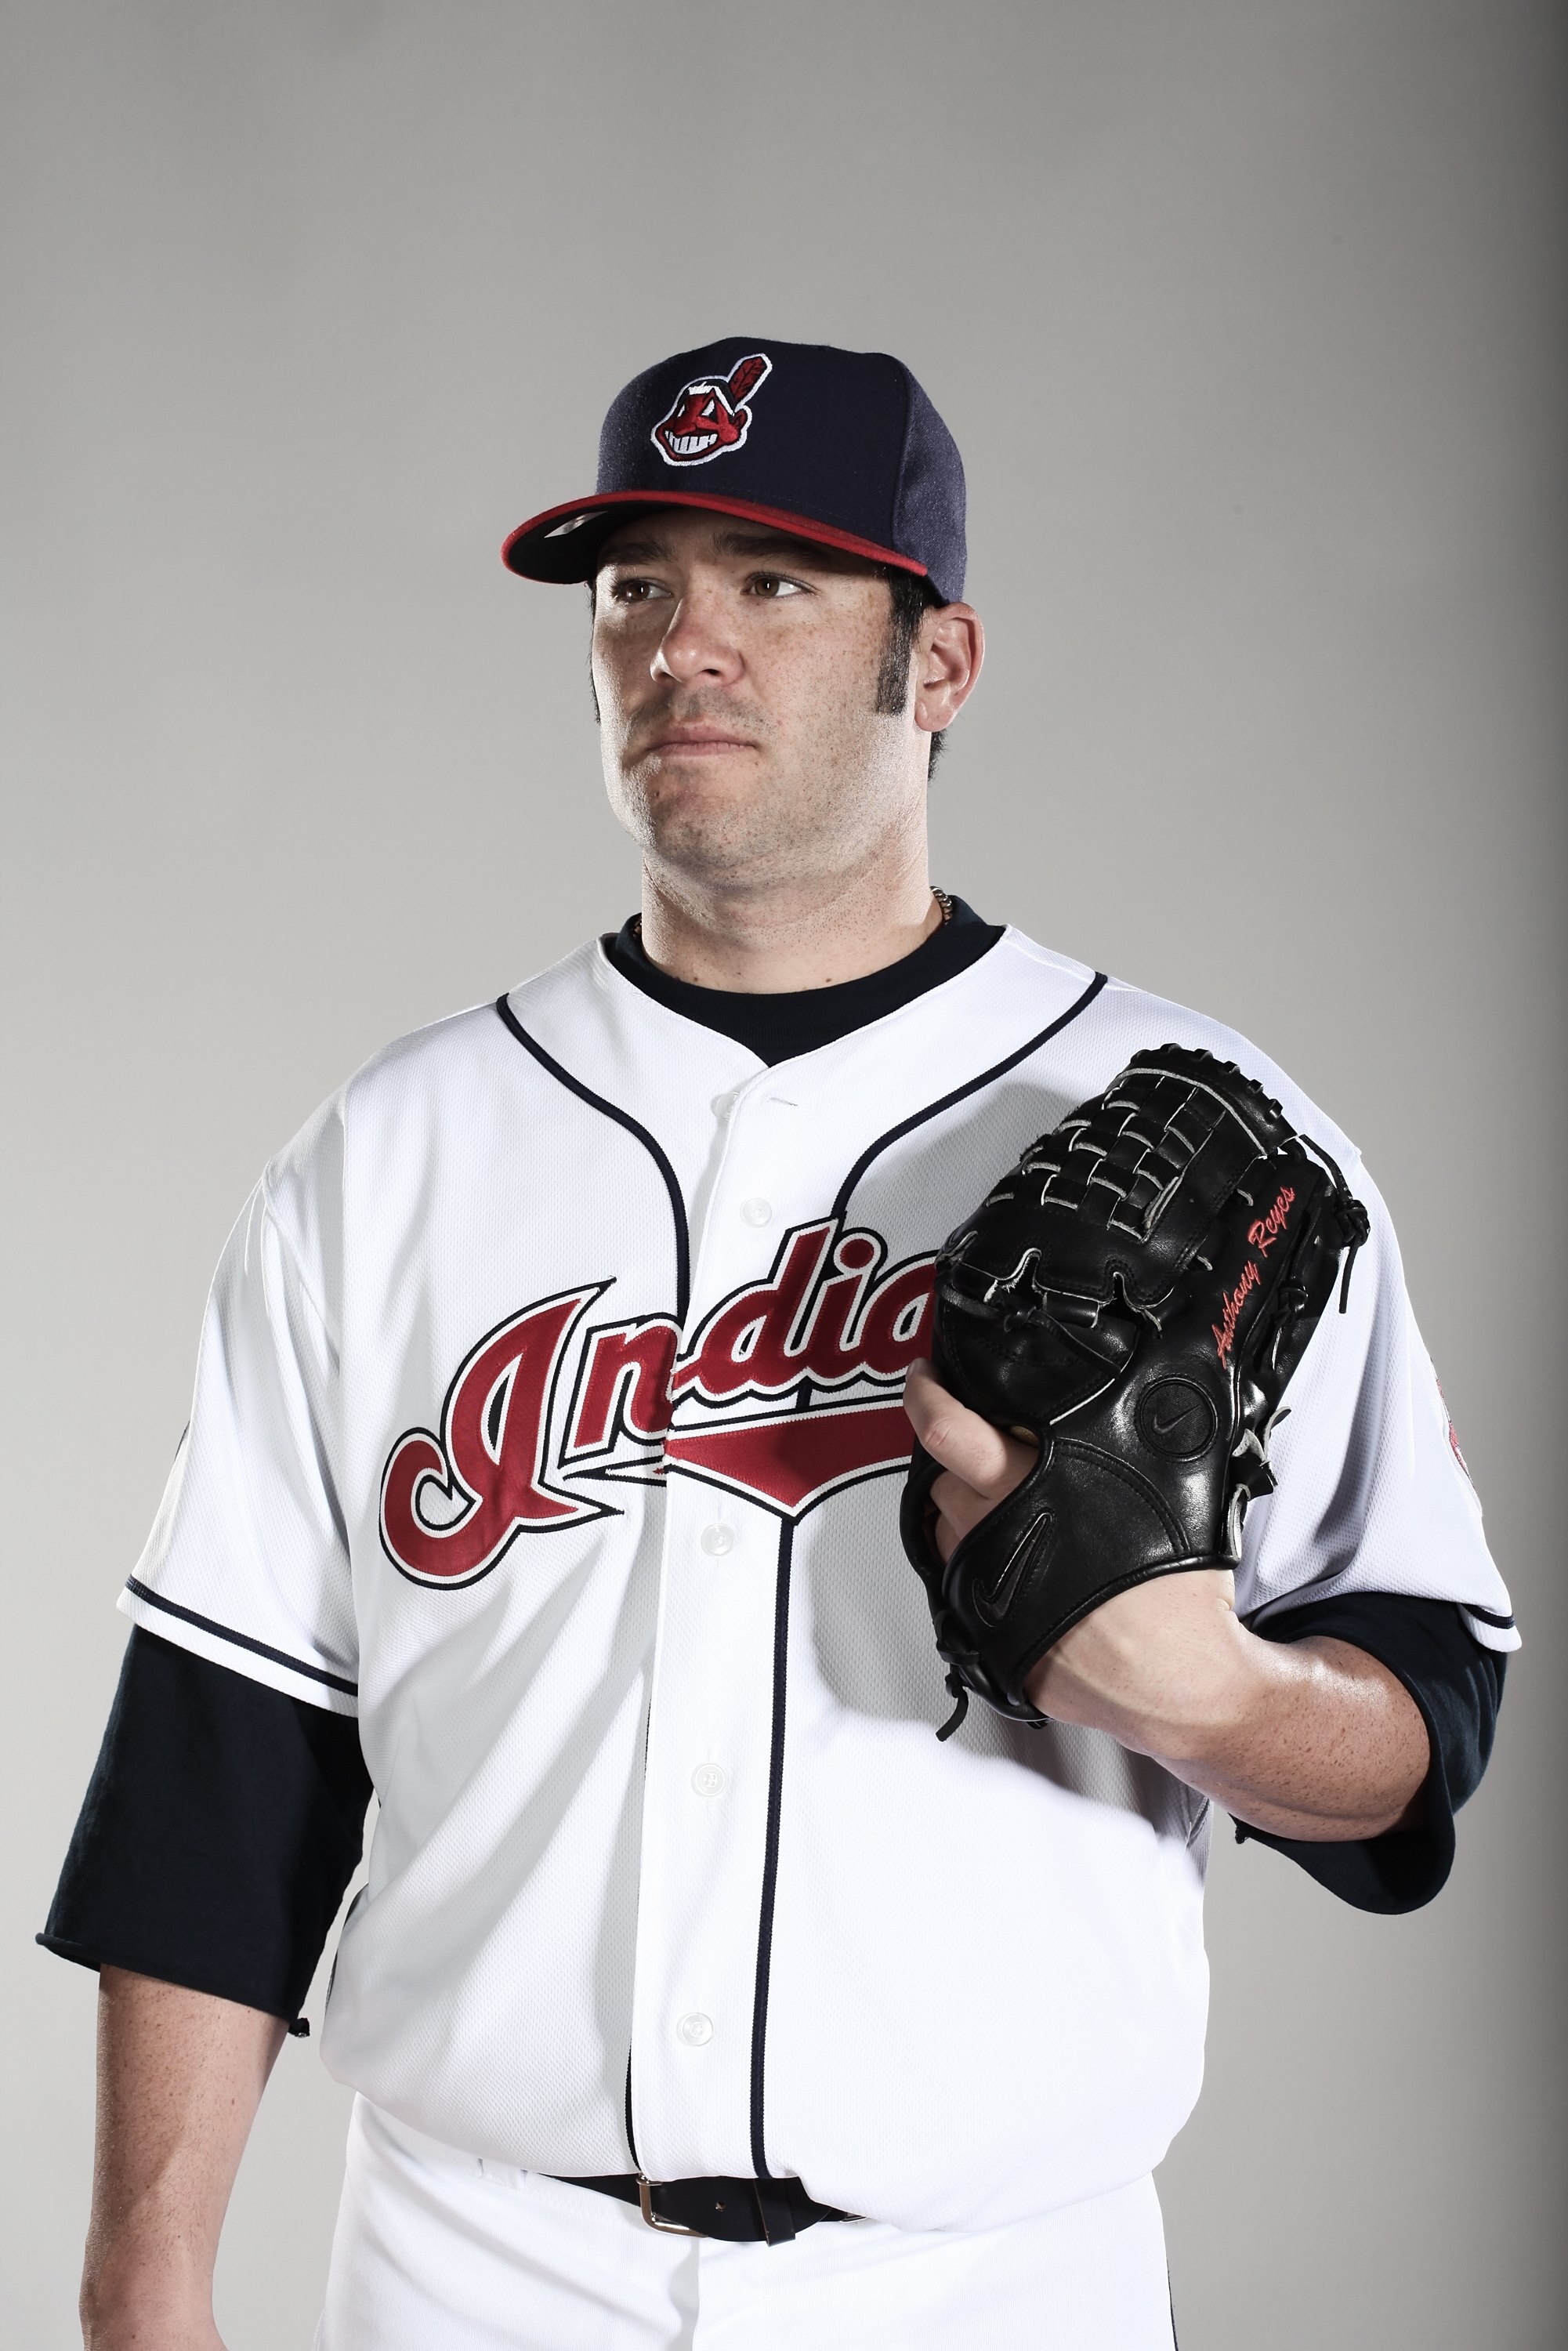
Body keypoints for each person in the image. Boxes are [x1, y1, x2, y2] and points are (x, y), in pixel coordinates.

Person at [44, 339, 1515, 2351]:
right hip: (475, 2273)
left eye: (773, 581)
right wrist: (145, 2281)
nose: (684, 647)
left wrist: (1218, 1701)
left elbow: (1421, 1718)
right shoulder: (380, 1162)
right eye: (635, 585)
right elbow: (231, 1760)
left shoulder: (1210, 1136)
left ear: (943, 661)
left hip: (999, 2289)